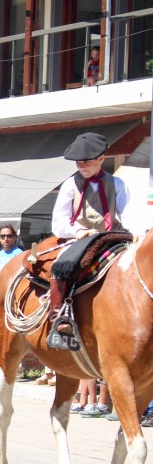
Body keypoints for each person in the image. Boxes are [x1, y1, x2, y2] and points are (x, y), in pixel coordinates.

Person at [49, 132, 138, 333]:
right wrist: (77, 230)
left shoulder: (118, 184)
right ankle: (59, 314)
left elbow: (128, 214)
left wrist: (137, 233)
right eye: (78, 162)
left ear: (101, 159)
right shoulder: (70, 184)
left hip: (113, 238)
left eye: (86, 162)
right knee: (60, 265)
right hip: (80, 239)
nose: (81, 166)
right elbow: (58, 222)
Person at [0, 225, 22, 292]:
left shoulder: (19, 254)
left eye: (9, 236)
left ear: (14, 237)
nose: (5, 239)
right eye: (2, 236)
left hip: (10, 293)